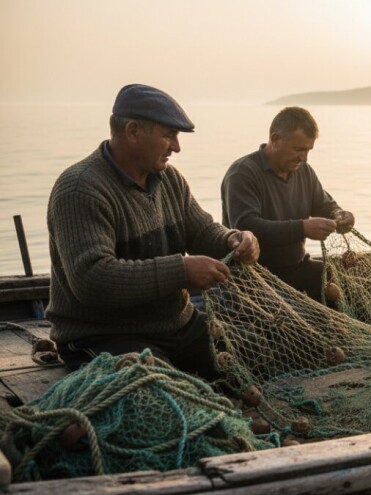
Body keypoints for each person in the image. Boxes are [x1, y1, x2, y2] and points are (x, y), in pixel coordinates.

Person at [47, 84, 260, 379]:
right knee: (161, 390)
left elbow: (201, 231)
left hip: (176, 326)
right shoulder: (80, 189)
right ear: (133, 131)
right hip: (103, 336)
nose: (176, 147)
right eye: (169, 135)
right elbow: (92, 279)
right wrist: (182, 270)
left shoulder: (170, 179)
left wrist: (232, 240)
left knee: (259, 354)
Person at [221, 107, 354, 302]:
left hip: (296, 268)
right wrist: (302, 228)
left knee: (349, 286)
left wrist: (339, 215)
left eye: (308, 150)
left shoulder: (304, 171)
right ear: (275, 140)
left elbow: (324, 205)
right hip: (252, 275)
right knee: (301, 313)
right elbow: (246, 226)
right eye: (298, 149)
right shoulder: (242, 174)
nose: (304, 158)